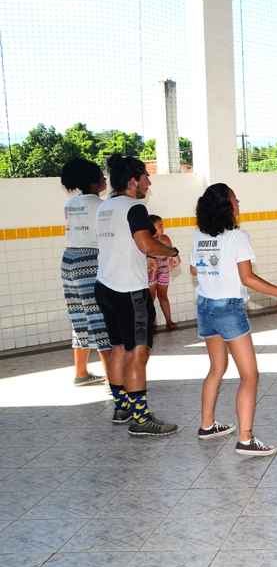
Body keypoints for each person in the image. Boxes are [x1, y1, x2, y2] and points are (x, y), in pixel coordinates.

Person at [191, 183, 277, 455]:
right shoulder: (237, 237)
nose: (238, 203)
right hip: (228, 309)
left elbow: (194, 269)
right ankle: (246, 438)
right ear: (227, 207)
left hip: (205, 306)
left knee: (216, 368)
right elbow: (248, 278)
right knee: (250, 375)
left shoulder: (199, 235)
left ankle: (207, 425)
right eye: (234, 200)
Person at [94, 154, 180, 437]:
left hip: (105, 286)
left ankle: (123, 407)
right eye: (145, 176)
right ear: (133, 181)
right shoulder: (135, 207)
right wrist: (171, 251)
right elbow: (145, 244)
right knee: (138, 352)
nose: (148, 181)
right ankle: (142, 419)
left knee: (118, 347)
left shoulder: (104, 208)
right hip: (129, 290)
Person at [60, 158, 112, 387]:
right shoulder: (101, 206)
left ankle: (81, 373)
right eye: (102, 176)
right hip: (90, 260)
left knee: (79, 315)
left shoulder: (70, 204)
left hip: (69, 259)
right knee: (99, 317)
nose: (105, 179)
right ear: (93, 182)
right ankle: (113, 379)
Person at [147, 215, 179, 330]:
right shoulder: (147, 241)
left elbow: (172, 253)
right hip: (151, 271)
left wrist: (175, 259)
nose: (162, 228)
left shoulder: (165, 239)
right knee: (150, 298)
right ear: (151, 227)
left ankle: (169, 321)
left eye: (162, 225)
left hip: (163, 270)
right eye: (159, 226)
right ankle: (151, 323)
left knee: (163, 296)